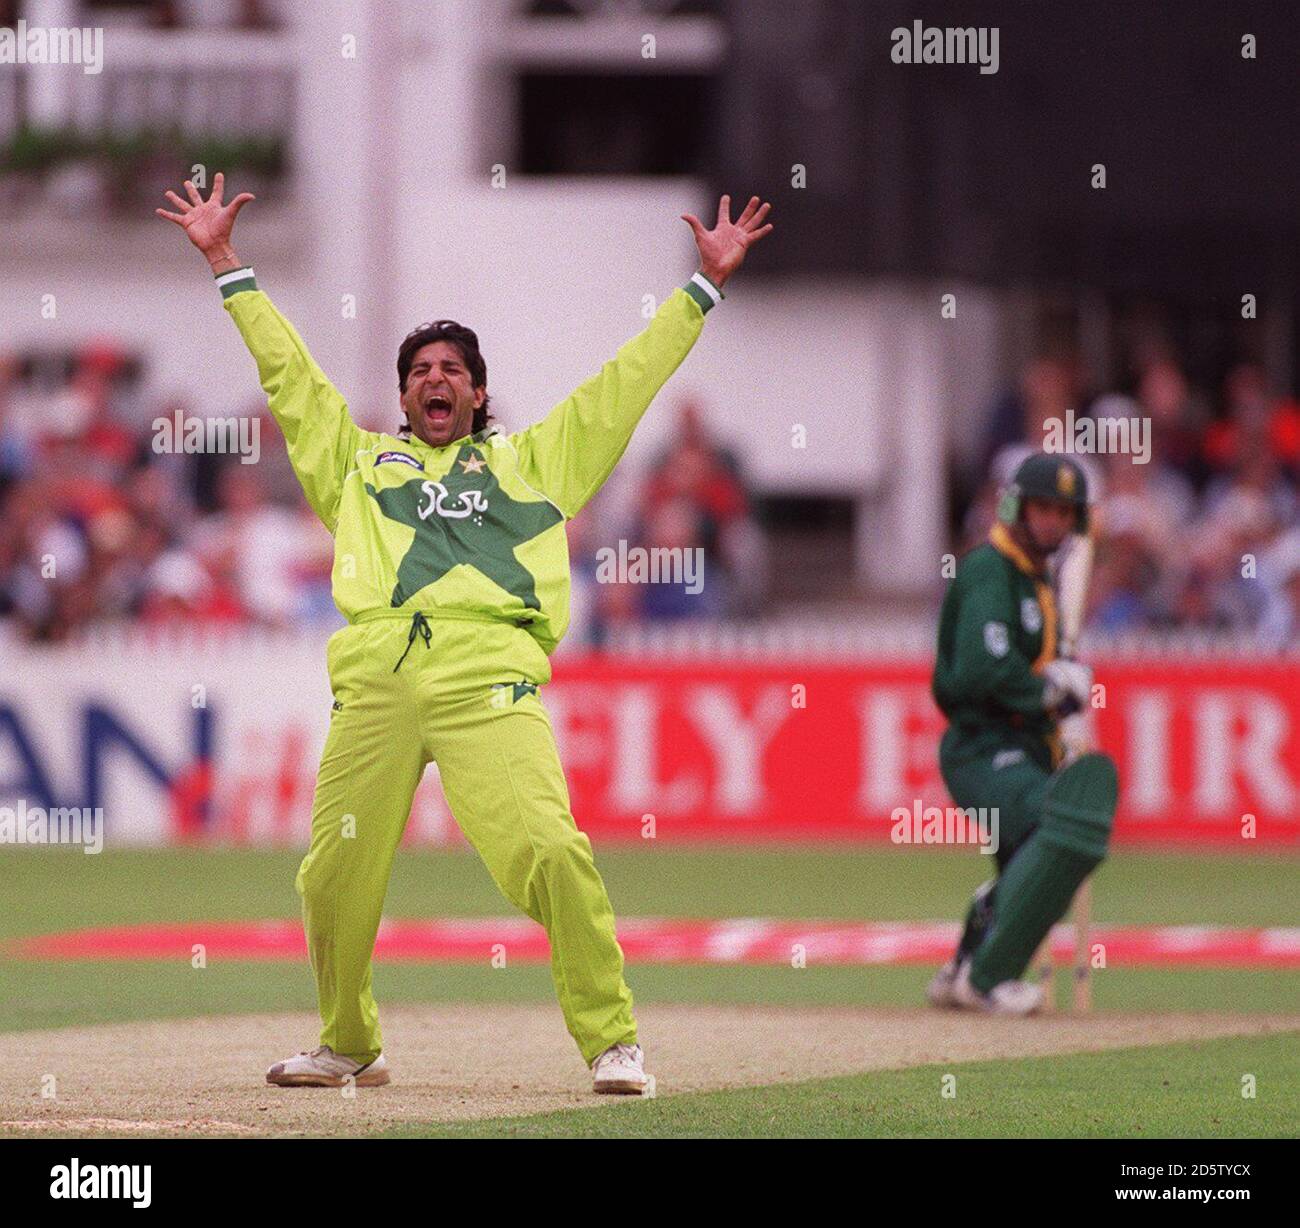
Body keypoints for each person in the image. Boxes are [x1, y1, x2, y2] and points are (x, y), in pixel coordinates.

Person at [157, 173, 772, 1093]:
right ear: (403, 397)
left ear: (479, 394)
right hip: (375, 683)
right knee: (332, 877)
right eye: (419, 372)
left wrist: (703, 286)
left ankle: (612, 1040)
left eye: (452, 370)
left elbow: (626, 382)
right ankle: (349, 1039)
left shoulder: (534, 460)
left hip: (490, 680)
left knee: (550, 853)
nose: (434, 380)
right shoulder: (357, 463)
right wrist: (224, 261)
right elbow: (290, 377)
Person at [927, 452, 1119, 1014]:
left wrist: (1063, 696)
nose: (1053, 522)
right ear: (1017, 507)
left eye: (1064, 512)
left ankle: (963, 963)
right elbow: (984, 670)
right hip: (983, 745)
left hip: (1026, 745)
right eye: (1042, 508)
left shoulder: (1039, 581)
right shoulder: (991, 569)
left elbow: (1038, 675)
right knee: (1057, 824)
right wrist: (1046, 687)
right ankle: (988, 978)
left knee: (1026, 862)